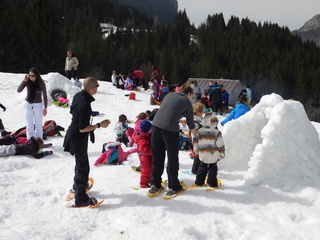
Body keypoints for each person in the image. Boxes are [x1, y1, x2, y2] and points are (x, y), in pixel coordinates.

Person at [63, 77, 111, 208]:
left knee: (80, 164)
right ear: (92, 88)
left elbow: (73, 111)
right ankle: (81, 199)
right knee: (83, 167)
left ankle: (78, 187)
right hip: (77, 137)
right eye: (97, 86)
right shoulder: (84, 104)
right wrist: (99, 125)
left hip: (74, 135)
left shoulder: (79, 95)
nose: (97, 88)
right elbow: (83, 128)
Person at [148, 84, 196, 198]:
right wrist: (196, 135)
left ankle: (155, 183)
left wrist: (178, 118)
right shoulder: (187, 102)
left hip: (155, 127)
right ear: (189, 94)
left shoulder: (169, 95)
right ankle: (174, 186)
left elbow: (167, 111)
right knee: (172, 158)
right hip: (170, 131)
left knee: (157, 156)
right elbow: (191, 123)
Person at [191, 108, 225, 188]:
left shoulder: (199, 131)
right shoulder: (216, 132)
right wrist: (222, 153)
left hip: (203, 153)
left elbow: (196, 142)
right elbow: (220, 144)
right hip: (213, 154)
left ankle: (199, 182)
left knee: (202, 167)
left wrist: (196, 151)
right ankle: (212, 183)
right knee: (213, 168)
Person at [17, 67, 48, 140]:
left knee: (38, 125)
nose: (31, 77)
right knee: (29, 125)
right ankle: (30, 142)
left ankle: (39, 142)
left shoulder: (41, 83)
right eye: (30, 75)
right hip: (28, 104)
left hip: (38, 105)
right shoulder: (27, 81)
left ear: (37, 75)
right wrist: (24, 81)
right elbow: (19, 90)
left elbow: (45, 96)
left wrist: (45, 108)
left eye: (33, 76)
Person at [134, 120, 153, 188]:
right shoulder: (143, 139)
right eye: (151, 129)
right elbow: (144, 150)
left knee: (149, 169)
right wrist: (152, 151)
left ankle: (150, 180)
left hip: (146, 157)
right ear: (148, 130)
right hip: (145, 157)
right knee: (146, 171)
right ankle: (143, 184)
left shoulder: (145, 136)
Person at [190, 103, 205, 174]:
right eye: (203, 111)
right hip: (197, 140)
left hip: (200, 140)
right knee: (198, 155)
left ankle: (198, 169)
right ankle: (195, 170)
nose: (203, 113)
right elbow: (194, 131)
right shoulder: (195, 121)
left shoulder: (200, 119)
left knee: (200, 155)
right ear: (199, 113)